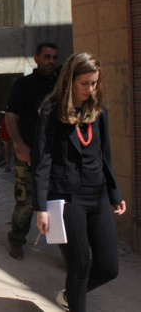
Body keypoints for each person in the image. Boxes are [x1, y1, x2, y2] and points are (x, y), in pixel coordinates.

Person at [33, 52, 126, 312]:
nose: (90, 88)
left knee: (108, 267)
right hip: (67, 198)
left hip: (97, 195)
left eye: (94, 82)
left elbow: (105, 155)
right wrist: (41, 207)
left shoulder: (98, 109)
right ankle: (76, 301)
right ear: (70, 80)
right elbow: (42, 161)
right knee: (80, 265)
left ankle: (70, 295)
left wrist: (114, 193)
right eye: (85, 83)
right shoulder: (51, 111)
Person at [5, 42, 59, 260]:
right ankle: (17, 239)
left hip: (55, 155)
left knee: (58, 201)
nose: (51, 61)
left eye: (54, 57)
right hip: (28, 153)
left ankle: (67, 248)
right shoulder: (23, 84)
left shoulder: (61, 85)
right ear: (36, 59)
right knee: (25, 202)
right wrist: (19, 144)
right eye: (47, 56)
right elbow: (11, 116)